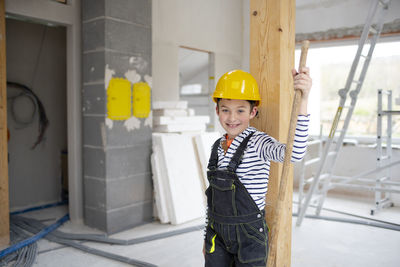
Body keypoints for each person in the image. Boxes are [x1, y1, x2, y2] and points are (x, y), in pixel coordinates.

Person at [203, 68, 312, 266]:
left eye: (240, 110)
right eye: (225, 109)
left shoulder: (258, 143)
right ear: (217, 110)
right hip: (216, 234)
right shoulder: (216, 148)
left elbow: (294, 154)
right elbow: (213, 202)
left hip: (249, 237)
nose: (232, 117)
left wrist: (303, 100)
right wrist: (206, 236)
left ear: (253, 112)